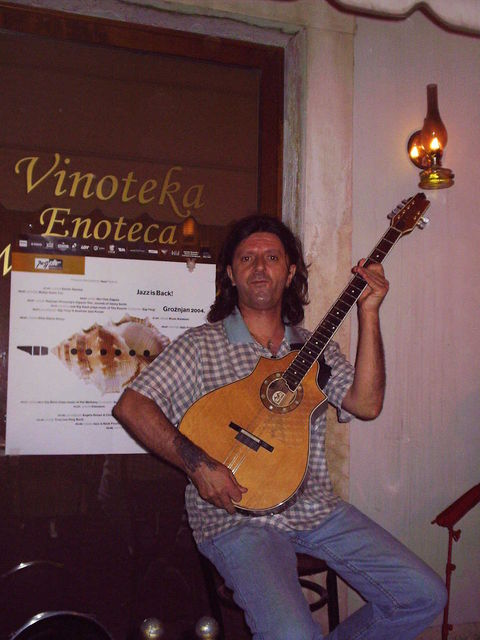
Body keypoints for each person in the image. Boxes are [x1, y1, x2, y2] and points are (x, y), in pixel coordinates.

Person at [113, 215, 446, 639]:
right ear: (230, 274)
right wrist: (196, 464)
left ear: (289, 273)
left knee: (423, 595)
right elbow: (131, 406)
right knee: (293, 634)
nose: (259, 267)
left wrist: (369, 312)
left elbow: (366, 404)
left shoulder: (316, 350)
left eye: (272, 258)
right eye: (246, 258)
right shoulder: (200, 345)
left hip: (316, 509)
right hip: (237, 519)